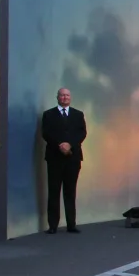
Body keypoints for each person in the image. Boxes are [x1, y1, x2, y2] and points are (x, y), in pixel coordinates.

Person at [40, 88, 86, 234]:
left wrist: (69, 144)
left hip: (73, 158)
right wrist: (60, 144)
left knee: (70, 191)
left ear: (70, 98)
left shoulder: (78, 115)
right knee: (54, 191)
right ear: (57, 97)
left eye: (67, 95)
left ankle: (71, 224)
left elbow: (82, 133)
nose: (65, 97)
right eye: (62, 95)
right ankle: (53, 225)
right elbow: (46, 133)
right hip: (54, 158)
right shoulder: (48, 115)